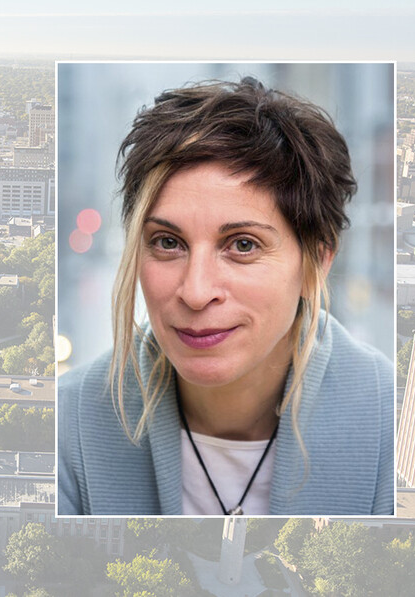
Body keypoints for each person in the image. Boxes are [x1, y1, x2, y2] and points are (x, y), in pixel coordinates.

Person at [58, 77, 393, 515]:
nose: (196, 292)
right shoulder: (68, 426)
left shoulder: (392, 424)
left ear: (317, 263)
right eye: (167, 242)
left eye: (243, 245)